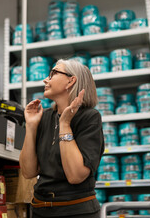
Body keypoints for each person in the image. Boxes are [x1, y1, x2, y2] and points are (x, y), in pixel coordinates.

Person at [19, 59, 104, 218]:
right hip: (40, 209)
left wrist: (64, 124)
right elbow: (28, 171)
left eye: (53, 73)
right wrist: (31, 126)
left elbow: (75, 175)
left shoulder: (89, 117)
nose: (46, 79)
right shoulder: (44, 118)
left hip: (76, 212)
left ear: (71, 81)